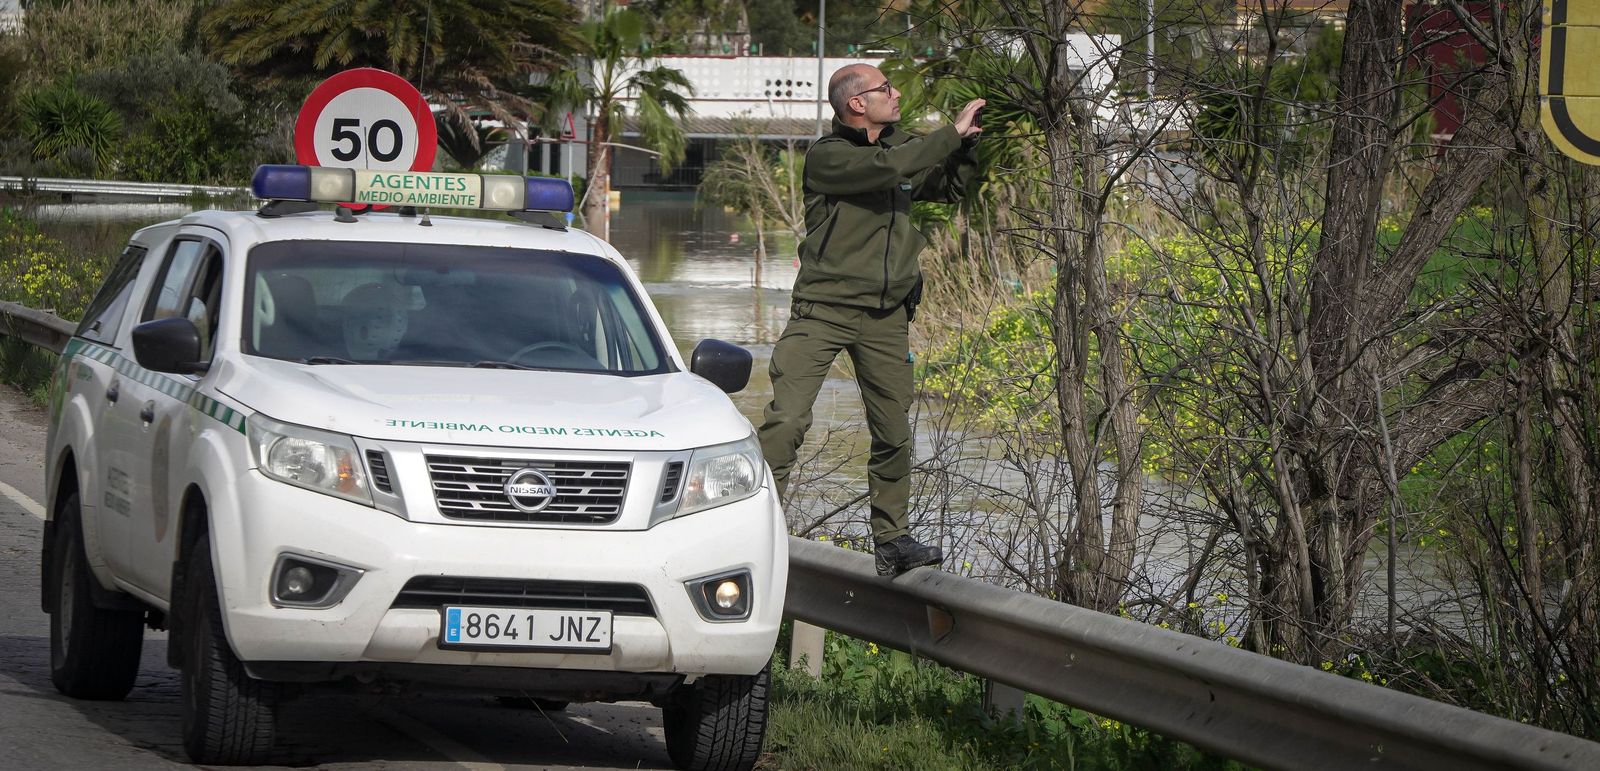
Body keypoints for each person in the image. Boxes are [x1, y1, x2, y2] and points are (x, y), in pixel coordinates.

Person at [758, 63, 985, 576]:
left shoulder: (899, 150)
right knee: (787, 419)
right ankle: (754, 523)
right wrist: (946, 133)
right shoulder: (829, 156)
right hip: (824, 310)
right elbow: (888, 169)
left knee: (894, 432)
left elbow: (945, 188)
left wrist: (965, 146)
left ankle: (892, 541)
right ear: (856, 103)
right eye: (886, 88)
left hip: (886, 316)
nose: (896, 92)